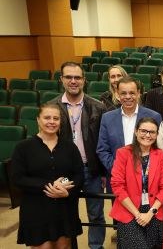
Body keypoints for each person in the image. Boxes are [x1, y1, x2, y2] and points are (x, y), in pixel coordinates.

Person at [49, 61, 106, 249]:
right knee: (67, 214)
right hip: (65, 171)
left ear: (84, 80)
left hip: (92, 169)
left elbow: (103, 143)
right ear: (61, 80)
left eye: (77, 77)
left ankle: (95, 247)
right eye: (69, 77)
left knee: (96, 214)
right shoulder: (52, 108)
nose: (73, 81)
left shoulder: (98, 106)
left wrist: (104, 171)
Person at [12, 103, 84, 248]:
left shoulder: (70, 147)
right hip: (36, 208)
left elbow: (79, 176)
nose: (52, 121)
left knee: (64, 246)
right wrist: (50, 185)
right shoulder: (23, 147)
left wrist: (67, 191)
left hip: (64, 208)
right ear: (38, 119)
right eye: (47, 117)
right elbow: (18, 178)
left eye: (56, 118)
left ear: (60, 122)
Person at [110, 117, 163, 248]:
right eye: (143, 131)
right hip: (129, 211)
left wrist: (150, 213)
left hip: (153, 211)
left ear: (156, 135)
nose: (147, 135)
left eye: (152, 132)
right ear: (136, 132)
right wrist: (137, 214)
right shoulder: (123, 153)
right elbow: (117, 186)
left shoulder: (160, 155)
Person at [97, 77, 162, 192]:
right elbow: (102, 150)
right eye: (123, 93)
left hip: (147, 178)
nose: (128, 97)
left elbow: (158, 149)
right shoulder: (107, 118)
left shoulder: (154, 117)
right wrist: (119, 169)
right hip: (118, 178)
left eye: (132, 93)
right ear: (117, 95)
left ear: (138, 94)